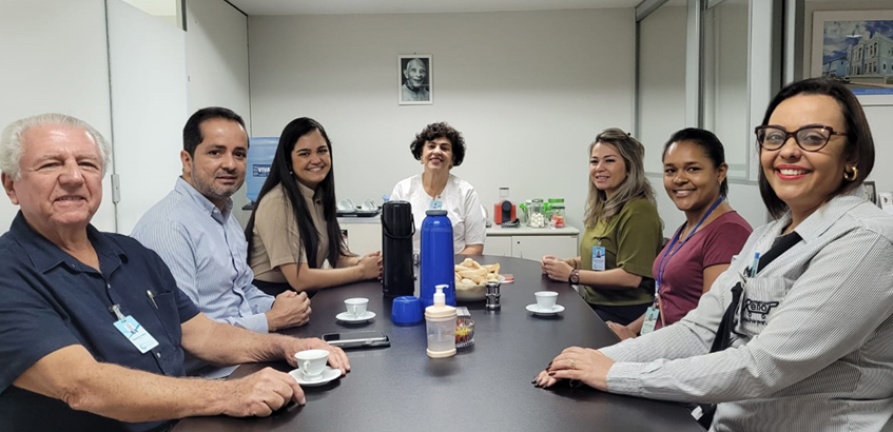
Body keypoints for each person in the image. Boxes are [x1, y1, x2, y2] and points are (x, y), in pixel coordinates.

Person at [535, 78, 893, 432]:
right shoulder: (766, 236)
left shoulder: (866, 240)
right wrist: (590, 361)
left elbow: (762, 366)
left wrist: (613, 373)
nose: (788, 150)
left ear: (852, 156)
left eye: (813, 137)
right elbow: (698, 329)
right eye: (774, 137)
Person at [0, 114, 350, 432]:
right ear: (11, 186)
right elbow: (81, 385)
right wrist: (228, 395)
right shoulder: (9, 273)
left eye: (88, 164)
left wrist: (289, 346)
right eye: (50, 164)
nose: (74, 177)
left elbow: (204, 334)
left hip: (182, 419)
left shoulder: (130, 254)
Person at [132, 108, 311, 378]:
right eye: (216, 152)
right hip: (210, 377)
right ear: (187, 159)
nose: (230, 164)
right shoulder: (169, 228)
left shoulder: (224, 215)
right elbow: (184, 336)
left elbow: (242, 288)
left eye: (239, 154)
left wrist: (275, 304)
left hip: (245, 356)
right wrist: (270, 320)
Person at [607, 128, 752, 340]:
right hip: (655, 342)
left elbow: (709, 326)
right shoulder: (688, 227)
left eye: (692, 169)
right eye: (670, 170)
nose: (679, 179)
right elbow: (664, 300)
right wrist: (630, 331)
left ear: (720, 172)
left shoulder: (728, 232)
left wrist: (636, 344)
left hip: (679, 358)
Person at [246, 117, 381, 296]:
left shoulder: (319, 196)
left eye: (322, 151)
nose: (316, 159)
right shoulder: (277, 202)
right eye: (304, 153)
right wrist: (362, 271)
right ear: (288, 161)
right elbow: (300, 278)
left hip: (304, 296)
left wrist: (370, 262)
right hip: (273, 299)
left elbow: (338, 257)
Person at [541, 128, 662, 326]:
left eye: (610, 160)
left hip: (626, 314)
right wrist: (572, 263)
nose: (599, 167)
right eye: (594, 161)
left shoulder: (639, 211)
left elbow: (631, 277)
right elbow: (606, 256)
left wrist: (572, 275)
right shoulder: (603, 207)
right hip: (594, 305)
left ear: (630, 168)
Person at [390, 122, 486, 255]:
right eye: (431, 146)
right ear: (421, 154)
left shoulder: (466, 192)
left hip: (454, 270)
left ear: (453, 159)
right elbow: (393, 243)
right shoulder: (403, 190)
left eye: (445, 148)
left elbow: (475, 248)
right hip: (410, 269)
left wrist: (444, 267)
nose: (437, 151)